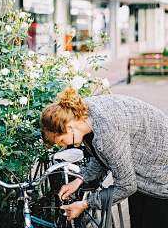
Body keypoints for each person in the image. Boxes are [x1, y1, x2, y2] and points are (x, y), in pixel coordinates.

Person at [40, 86, 168, 228]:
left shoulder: (107, 132)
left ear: (70, 128)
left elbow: (126, 185)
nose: (64, 146)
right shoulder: (83, 115)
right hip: (145, 168)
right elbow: (104, 156)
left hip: (160, 177)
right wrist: (80, 179)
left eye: (62, 141)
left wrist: (86, 204)